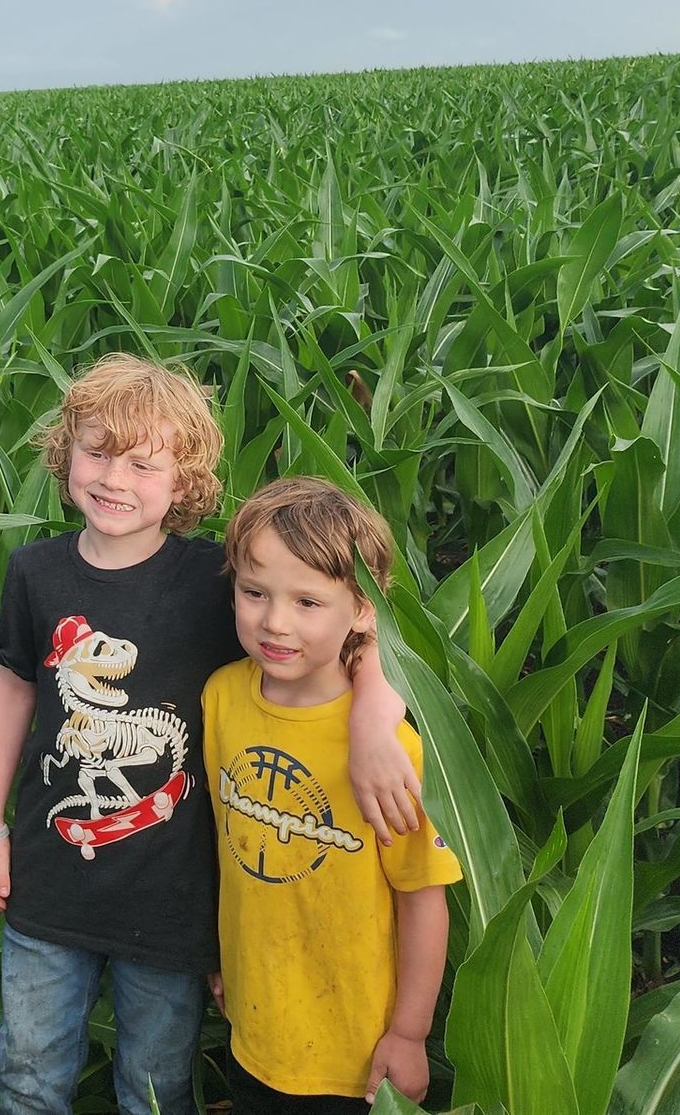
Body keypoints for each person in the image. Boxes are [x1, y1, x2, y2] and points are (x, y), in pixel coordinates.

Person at [0, 356, 420, 1115]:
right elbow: (15, 686)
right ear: (65, 455)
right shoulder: (36, 572)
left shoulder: (219, 583)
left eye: (144, 463)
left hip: (175, 893)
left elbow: (350, 616)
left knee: (155, 1087)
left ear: (184, 485)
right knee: (28, 1071)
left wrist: (376, 708)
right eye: (97, 452)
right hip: (52, 876)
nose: (115, 478)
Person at [204, 477, 463, 1113]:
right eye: (254, 592)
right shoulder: (221, 698)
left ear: (363, 611)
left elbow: (423, 900)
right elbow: (222, 849)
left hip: (356, 1053)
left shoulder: (388, 753)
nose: (274, 622)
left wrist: (409, 1034)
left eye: (308, 602)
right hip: (254, 1027)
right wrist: (219, 958)